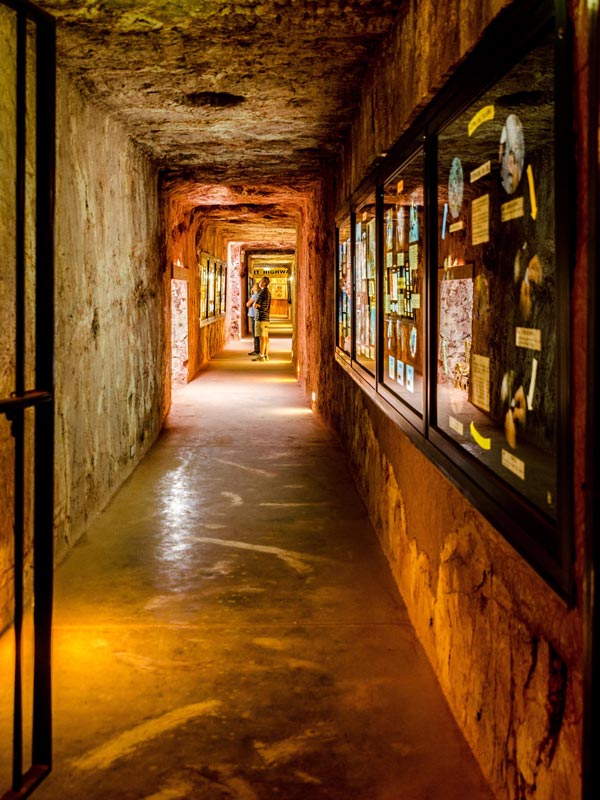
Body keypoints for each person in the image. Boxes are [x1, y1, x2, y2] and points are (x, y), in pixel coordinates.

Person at [252, 276, 271, 362]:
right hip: (266, 317)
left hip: (260, 318)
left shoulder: (262, 293)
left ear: (264, 283)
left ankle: (261, 355)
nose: (259, 282)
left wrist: (255, 305)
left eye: (261, 281)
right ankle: (266, 355)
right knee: (266, 337)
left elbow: (256, 305)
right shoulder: (269, 293)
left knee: (262, 337)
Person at [246, 281, 260, 355]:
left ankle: (257, 349)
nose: (252, 287)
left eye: (254, 286)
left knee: (255, 333)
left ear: (256, 288)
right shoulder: (258, 295)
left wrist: (247, 303)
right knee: (256, 333)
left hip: (253, 315)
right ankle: (257, 348)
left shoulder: (255, 295)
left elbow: (248, 304)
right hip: (256, 315)